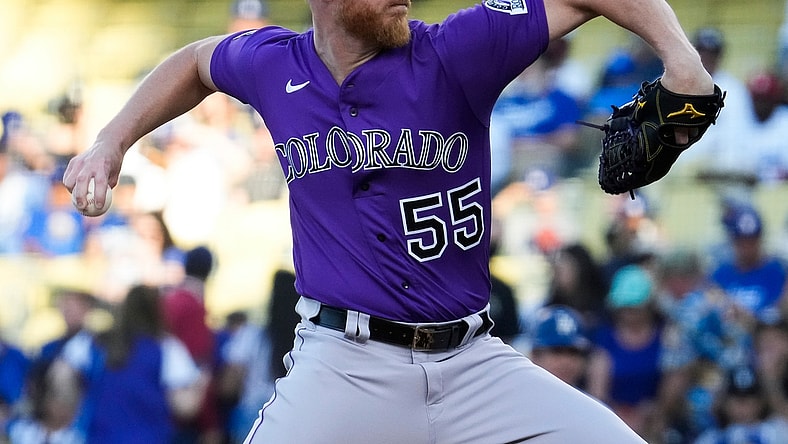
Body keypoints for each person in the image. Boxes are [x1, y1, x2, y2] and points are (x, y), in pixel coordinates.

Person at [63, 0, 716, 441]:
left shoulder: (457, 50)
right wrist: (110, 142)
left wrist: (680, 59)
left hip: (474, 364)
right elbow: (194, 62)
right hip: (342, 366)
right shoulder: (272, 65)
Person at [528, 304, 592, 388]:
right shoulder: (516, 397)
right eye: (557, 351)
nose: (566, 361)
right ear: (535, 355)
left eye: (573, 352)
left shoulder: (588, 400)